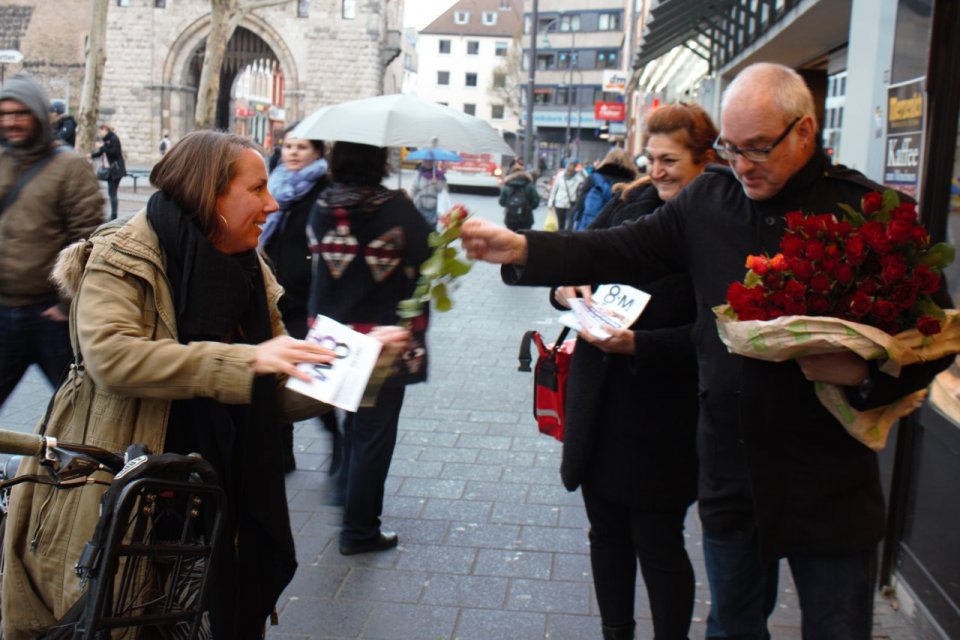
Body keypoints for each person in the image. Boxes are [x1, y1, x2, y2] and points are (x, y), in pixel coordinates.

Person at [460, 63, 953, 639]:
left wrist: (865, 376)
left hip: (827, 481)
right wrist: (522, 248)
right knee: (731, 628)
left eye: (757, 148)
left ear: (804, 130)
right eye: (731, 148)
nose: (741, 165)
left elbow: (932, 339)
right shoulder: (710, 202)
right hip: (731, 474)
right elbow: (619, 246)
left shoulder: (866, 213)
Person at [0, 130, 408, 640]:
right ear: (209, 194)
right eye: (256, 189)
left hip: (218, 493)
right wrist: (246, 361)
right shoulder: (122, 255)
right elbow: (113, 358)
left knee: (219, 613)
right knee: (122, 617)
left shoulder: (250, 266)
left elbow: (272, 388)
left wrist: (359, 365)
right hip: (125, 486)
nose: (271, 203)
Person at [554, 103, 719, 640]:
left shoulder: (720, 226)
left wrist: (638, 344)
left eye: (671, 160)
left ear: (705, 160)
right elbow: (574, 263)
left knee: (658, 541)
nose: (657, 170)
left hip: (665, 416)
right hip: (600, 404)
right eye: (651, 158)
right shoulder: (630, 202)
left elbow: (720, 333)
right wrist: (565, 290)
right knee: (605, 533)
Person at [307, 141, 432, 556]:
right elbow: (429, 256)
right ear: (380, 161)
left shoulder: (321, 205)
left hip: (332, 337)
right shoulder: (396, 208)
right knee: (372, 437)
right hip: (382, 341)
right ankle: (359, 530)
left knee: (351, 425)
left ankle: (347, 489)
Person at [0, 74, 104, 413]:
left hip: (50, 317)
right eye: (4, 114)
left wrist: (65, 303)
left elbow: (88, 239)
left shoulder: (70, 168)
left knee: (77, 412)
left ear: (39, 116)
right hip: (4, 311)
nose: (11, 122)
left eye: (20, 113)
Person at [262, 128, 334, 474]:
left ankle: (335, 434)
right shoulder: (274, 184)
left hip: (306, 298)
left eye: (301, 147)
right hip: (274, 293)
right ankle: (283, 452)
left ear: (318, 152)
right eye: (288, 146)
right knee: (278, 373)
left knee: (307, 375)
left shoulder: (324, 192)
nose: (291, 152)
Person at [568, 148, 637, 231]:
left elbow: (579, 206)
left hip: (590, 230)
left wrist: (571, 226)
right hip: (618, 231)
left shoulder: (593, 179)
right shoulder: (633, 184)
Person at [90, 123, 126, 220]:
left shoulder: (113, 138)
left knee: (112, 192)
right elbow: (102, 152)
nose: (99, 134)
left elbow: (114, 152)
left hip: (115, 169)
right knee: (111, 192)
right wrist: (91, 155)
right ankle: (113, 215)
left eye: (100, 132)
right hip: (109, 169)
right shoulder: (106, 139)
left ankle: (114, 215)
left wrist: (101, 147)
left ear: (104, 130)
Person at [499, 161, 540, 231]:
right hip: (526, 218)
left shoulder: (507, 185)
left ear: (511, 173)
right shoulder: (529, 185)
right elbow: (535, 202)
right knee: (524, 236)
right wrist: (528, 207)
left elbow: (501, 202)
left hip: (510, 218)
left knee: (511, 236)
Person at [546, 158, 584, 231]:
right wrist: (550, 202)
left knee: (570, 225)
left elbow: (585, 183)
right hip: (559, 203)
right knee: (560, 225)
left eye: (573, 166)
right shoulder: (560, 176)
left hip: (571, 204)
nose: (571, 167)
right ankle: (560, 236)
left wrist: (582, 171)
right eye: (570, 165)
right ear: (567, 165)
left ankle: (568, 237)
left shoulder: (579, 178)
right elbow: (554, 189)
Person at [410, 158, 447, 226]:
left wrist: (436, 183)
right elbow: (413, 189)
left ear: (434, 162)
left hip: (433, 208)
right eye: (426, 161)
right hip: (419, 206)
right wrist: (409, 202)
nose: (428, 163)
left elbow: (442, 190)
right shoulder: (418, 174)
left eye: (430, 161)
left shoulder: (440, 175)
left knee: (431, 229)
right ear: (422, 161)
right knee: (418, 227)